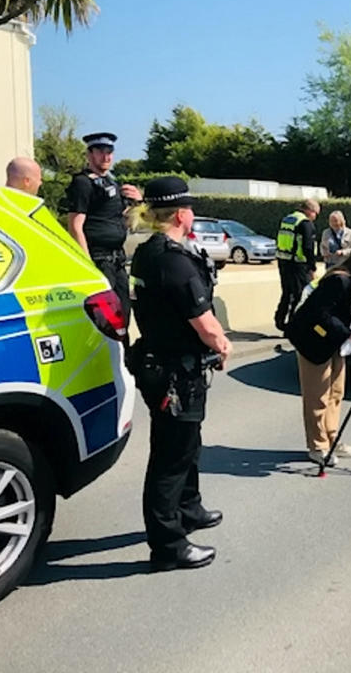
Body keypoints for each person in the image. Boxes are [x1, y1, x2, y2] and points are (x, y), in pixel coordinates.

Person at [128, 176, 231, 572]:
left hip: (161, 361)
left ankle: (189, 509)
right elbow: (204, 323)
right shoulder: (174, 260)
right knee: (171, 457)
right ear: (183, 214)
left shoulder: (147, 252)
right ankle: (168, 544)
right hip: (175, 372)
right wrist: (222, 345)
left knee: (187, 443)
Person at [287, 233, 351, 466]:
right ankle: (317, 446)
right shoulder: (339, 280)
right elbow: (319, 313)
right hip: (315, 343)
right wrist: (349, 334)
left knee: (336, 394)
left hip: (337, 344)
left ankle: (332, 438)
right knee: (317, 397)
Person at [64, 132, 142, 322]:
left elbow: (121, 219)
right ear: (90, 154)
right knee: (106, 319)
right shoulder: (83, 182)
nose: (106, 157)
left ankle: (123, 351)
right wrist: (88, 265)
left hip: (117, 260)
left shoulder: (112, 182)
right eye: (100, 152)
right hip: (99, 260)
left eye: (109, 152)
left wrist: (138, 202)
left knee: (123, 315)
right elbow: (75, 225)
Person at [274, 199, 320, 332]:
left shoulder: (288, 219)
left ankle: (280, 321)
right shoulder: (305, 223)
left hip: (284, 261)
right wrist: (312, 267)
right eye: (315, 213)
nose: (315, 217)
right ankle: (294, 326)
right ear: (309, 211)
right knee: (300, 295)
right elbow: (308, 247)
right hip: (299, 264)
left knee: (287, 293)